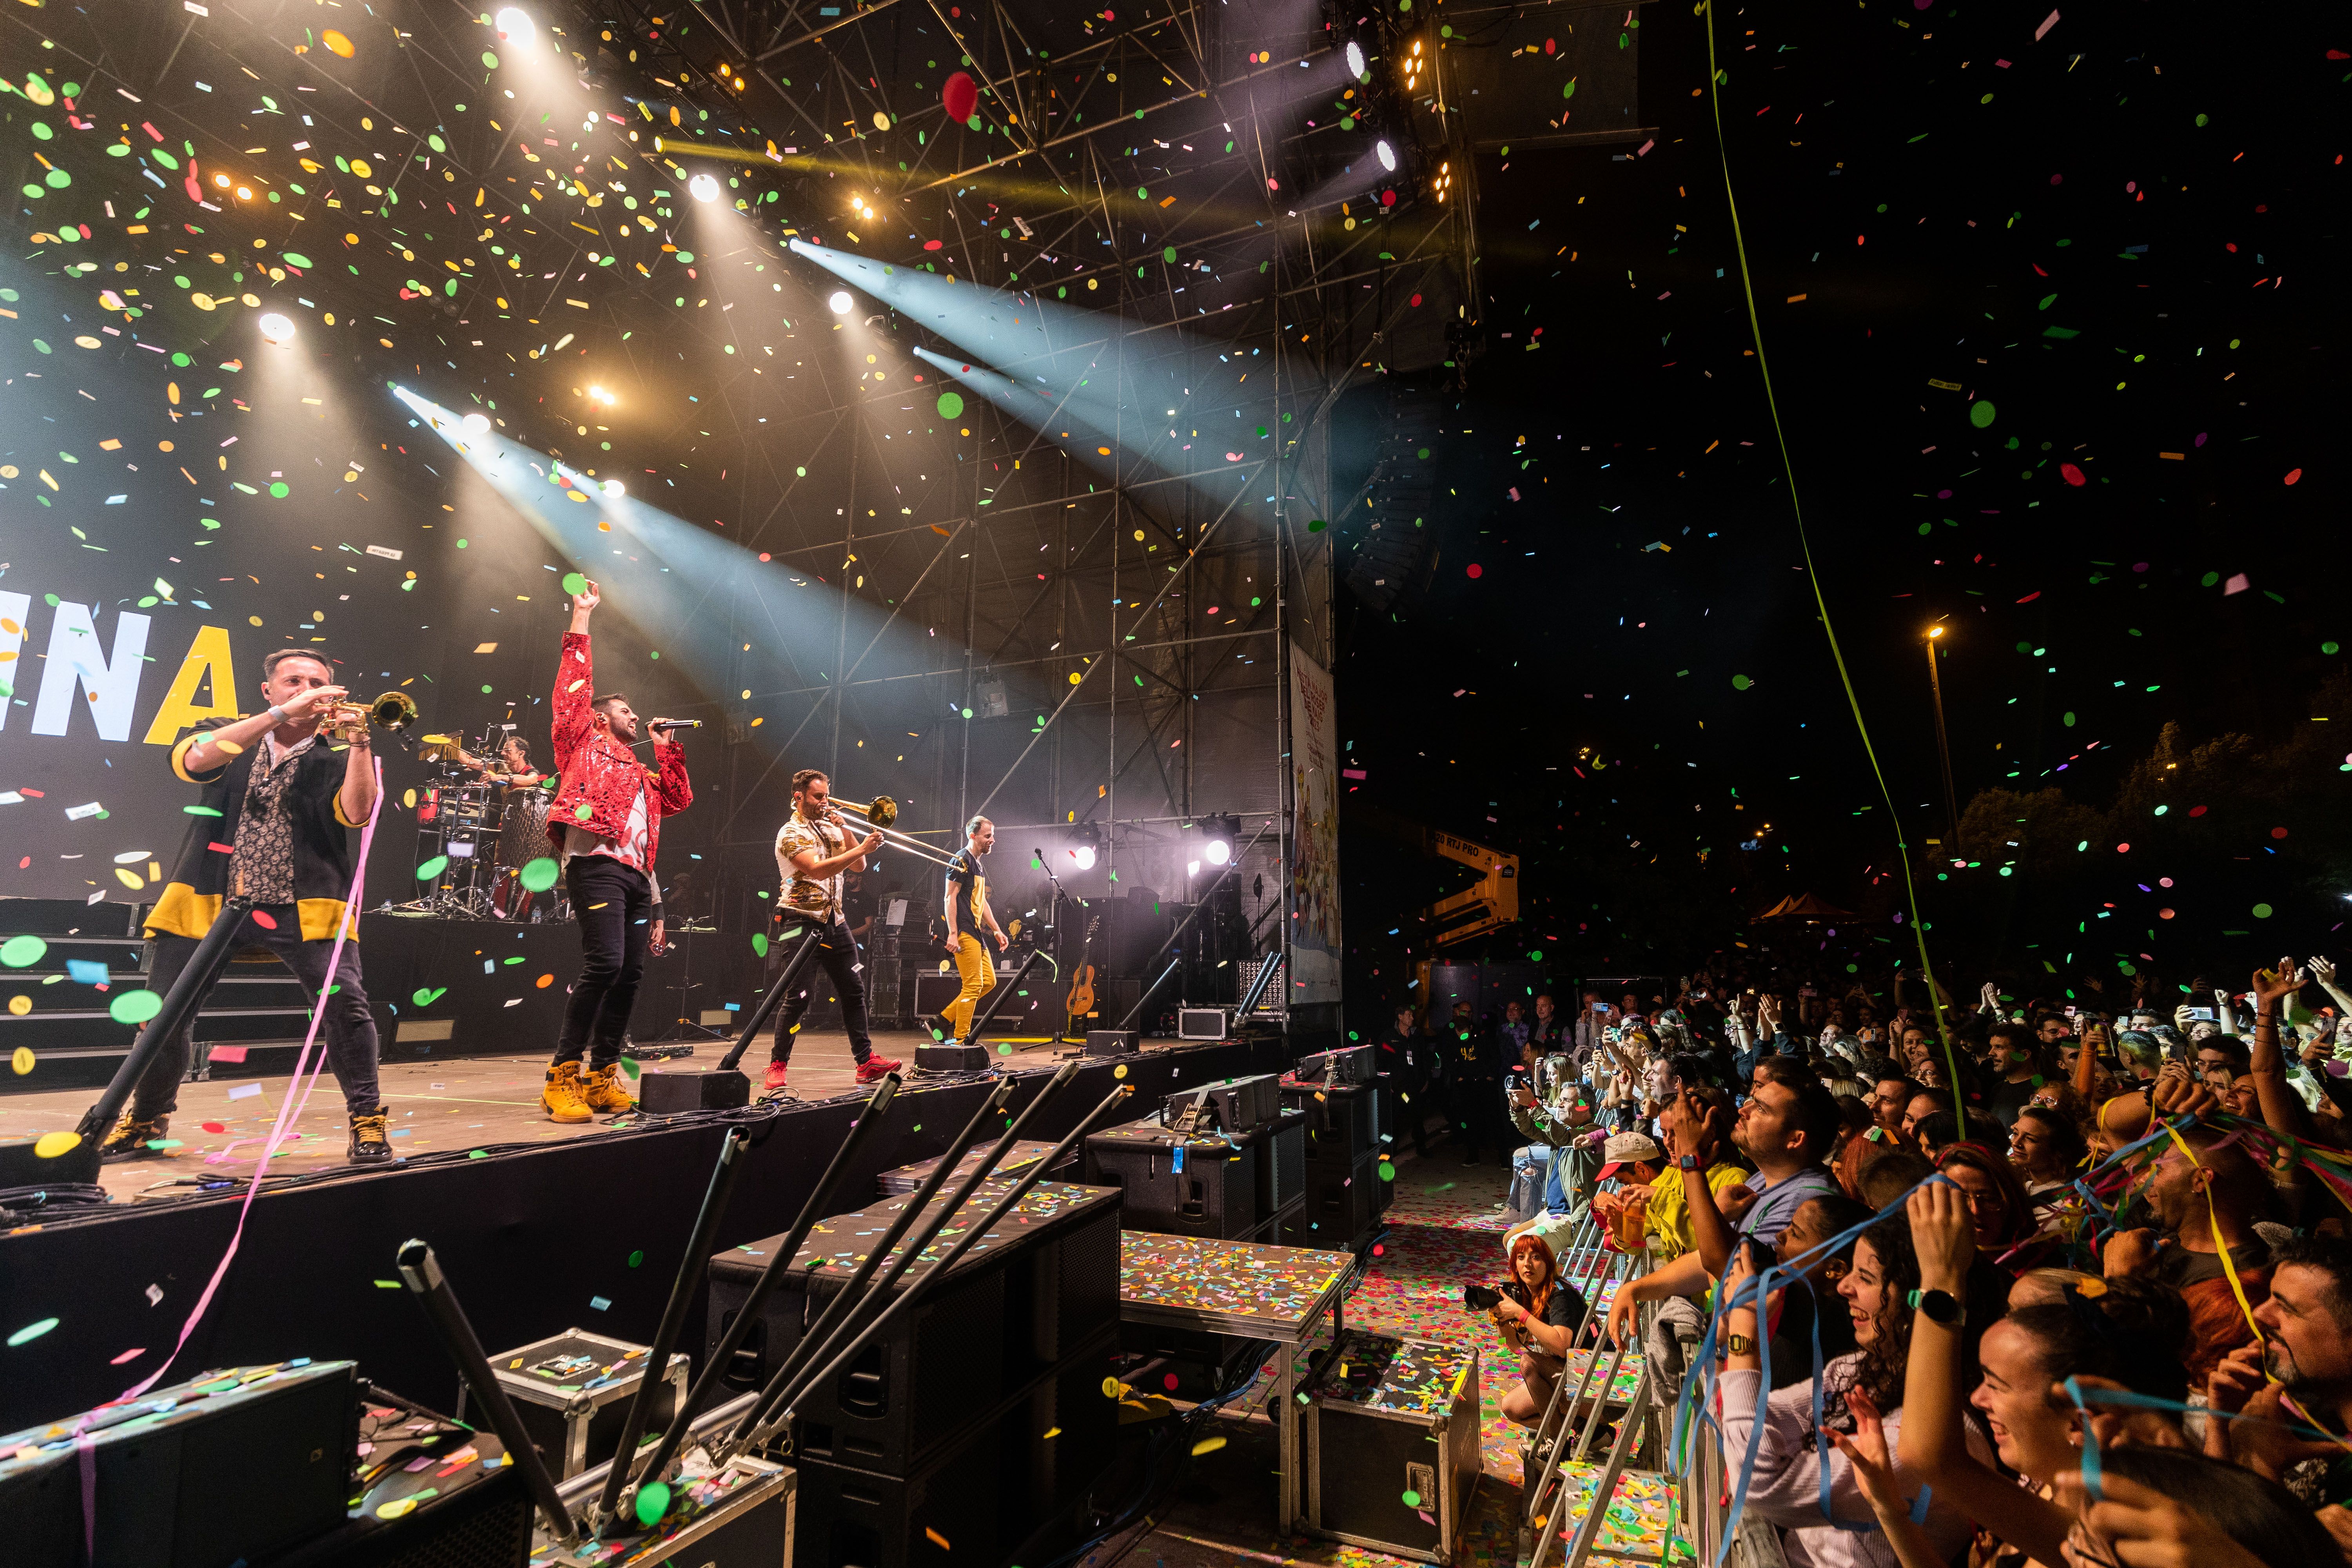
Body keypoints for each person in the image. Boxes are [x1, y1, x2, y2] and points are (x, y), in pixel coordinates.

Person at [103, 648, 390, 1164]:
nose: (305, 688)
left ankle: (367, 1121)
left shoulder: (337, 754)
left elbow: (358, 813)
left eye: (316, 682)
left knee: (346, 1007)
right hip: (210, 900)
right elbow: (194, 762)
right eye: (294, 681)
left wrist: (360, 742)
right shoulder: (227, 732)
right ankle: (146, 1120)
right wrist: (282, 718)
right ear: (269, 690)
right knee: (163, 1015)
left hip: (306, 906)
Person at [1715, 1203, 2000, 1568]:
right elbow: (1738, 1416)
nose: (1844, 1286)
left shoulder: (1936, 1434)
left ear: (1917, 1302)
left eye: (1866, 1278)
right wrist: (1731, 1336)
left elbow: (1758, 1483)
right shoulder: (1861, 1367)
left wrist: (1745, 1330)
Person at [540, 580, 691, 1123]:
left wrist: (669, 748)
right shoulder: (584, 741)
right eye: (626, 711)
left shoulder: (645, 774)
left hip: (634, 880)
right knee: (603, 964)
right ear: (603, 718)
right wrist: (581, 616)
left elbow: (679, 798)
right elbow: (573, 690)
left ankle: (604, 1075)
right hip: (595, 868)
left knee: (628, 974)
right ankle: (562, 1077)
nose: (635, 717)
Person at [2104, 1120, 2275, 1383]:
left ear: (2200, 1180)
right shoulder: (2167, 1242)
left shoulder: (2234, 1283)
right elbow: (2111, 1123)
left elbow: (2161, 1368)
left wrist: (2120, 1281)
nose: (2141, 1180)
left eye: (2156, 1171)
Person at [766, 769, 901, 1091]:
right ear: (799, 797)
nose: (825, 802)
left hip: (834, 921)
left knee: (854, 991)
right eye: (818, 797)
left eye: (826, 795)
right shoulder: (789, 832)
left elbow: (859, 867)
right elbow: (815, 869)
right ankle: (777, 1064)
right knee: (799, 997)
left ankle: (866, 1062)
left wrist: (849, 834)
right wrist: (862, 849)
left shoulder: (830, 826)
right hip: (799, 919)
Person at [1490, 1231, 1590, 1427]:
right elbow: (1511, 1345)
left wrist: (1521, 1314)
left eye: (1536, 1257)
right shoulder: (1527, 1293)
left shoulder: (1560, 1296)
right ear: (1515, 1265)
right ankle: (1591, 1430)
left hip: (1596, 1379)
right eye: (1521, 1257)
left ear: (1548, 1264)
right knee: (1510, 1408)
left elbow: (1562, 1346)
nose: (1528, 1263)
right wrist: (1501, 1320)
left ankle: (1554, 1442)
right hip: (1564, 1375)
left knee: (1529, 1362)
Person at [940, 815, 1009, 1043]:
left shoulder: (978, 863)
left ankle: (940, 1021)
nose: (993, 840)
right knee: (973, 985)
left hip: (976, 932)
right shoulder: (962, 859)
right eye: (988, 836)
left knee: (989, 981)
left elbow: (982, 901)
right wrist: (952, 933)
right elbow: (950, 897)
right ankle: (961, 1040)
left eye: (993, 836)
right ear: (973, 836)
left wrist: (997, 929)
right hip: (963, 931)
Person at [2007, 1103, 2087, 1232]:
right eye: (2016, 1134)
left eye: (2030, 1139)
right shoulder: (2024, 1188)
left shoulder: (2068, 1200)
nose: (2016, 1143)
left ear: (2057, 1151)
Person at [1377, 1004, 1441, 1158]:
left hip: (1415, 1085)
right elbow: (1381, 1061)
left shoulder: (1416, 1036)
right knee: (1395, 1119)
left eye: (1412, 1015)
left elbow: (1423, 1058)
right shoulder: (1388, 1036)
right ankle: (1389, 1150)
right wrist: (1388, 1083)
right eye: (1409, 1015)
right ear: (1400, 1017)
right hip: (1398, 1087)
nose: (1412, 1018)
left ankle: (1421, 1146)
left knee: (1418, 1117)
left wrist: (1426, 1078)